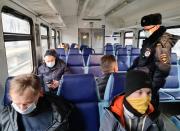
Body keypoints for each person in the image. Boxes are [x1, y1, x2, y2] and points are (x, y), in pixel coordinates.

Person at [128, 13, 179, 107]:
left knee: (150, 110)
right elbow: (144, 57)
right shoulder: (151, 40)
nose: (145, 31)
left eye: (148, 29)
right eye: (144, 29)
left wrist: (151, 89)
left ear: (157, 26)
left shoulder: (162, 43)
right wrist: (132, 69)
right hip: (143, 81)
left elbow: (163, 69)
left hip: (150, 86)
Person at [0, 74, 73, 131]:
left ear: (40, 93)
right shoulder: (4, 115)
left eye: (27, 103)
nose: (22, 108)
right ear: (10, 97)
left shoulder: (61, 111)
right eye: (16, 103)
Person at [99, 70, 165, 131]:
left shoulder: (155, 116)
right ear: (128, 94)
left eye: (148, 93)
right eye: (140, 92)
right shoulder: (112, 117)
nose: (145, 97)